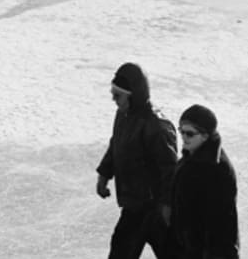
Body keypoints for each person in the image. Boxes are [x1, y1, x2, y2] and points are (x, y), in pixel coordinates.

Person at [96, 63, 178, 259]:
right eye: (112, 93)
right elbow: (116, 144)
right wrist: (104, 174)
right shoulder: (123, 115)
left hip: (154, 210)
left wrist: (167, 204)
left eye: (118, 95)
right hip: (134, 205)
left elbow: (170, 169)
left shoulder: (156, 125)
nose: (113, 100)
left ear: (133, 95)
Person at [172, 105, 240, 259]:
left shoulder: (215, 170)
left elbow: (220, 225)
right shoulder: (193, 156)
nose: (183, 137)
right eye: (181, 131)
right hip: (189, 247)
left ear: (205, 136)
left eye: (189, 133)